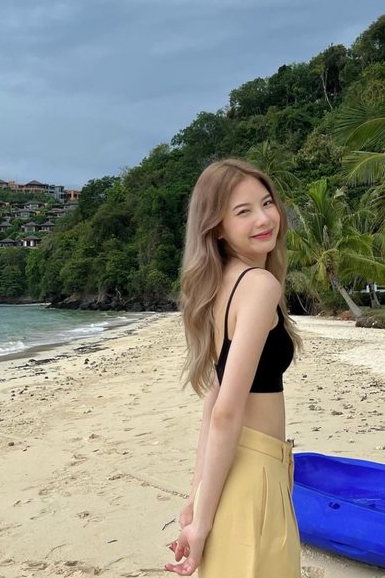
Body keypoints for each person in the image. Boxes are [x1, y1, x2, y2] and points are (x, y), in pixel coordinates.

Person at [165, 158, 302, 577]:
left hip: (232, 469)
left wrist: (196, 496)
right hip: (253, 473)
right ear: (218, 227)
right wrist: (201, 522)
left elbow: (214, 397)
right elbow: (225, 409)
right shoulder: (258, 286)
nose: (264, 219)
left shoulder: (220, 284)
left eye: (267, 203)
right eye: (243, 211)